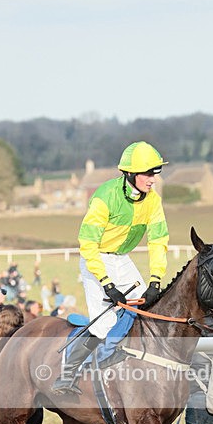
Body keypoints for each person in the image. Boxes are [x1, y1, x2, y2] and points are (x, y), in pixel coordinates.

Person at [52, 141, 169, 393]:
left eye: (155, 174)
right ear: (130, 173)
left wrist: (156, 280)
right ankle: (67, 374)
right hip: (96, 259)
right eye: (148, 174)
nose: (153, 180)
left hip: (122, 259)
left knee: (149, 310)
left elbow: (158, 240)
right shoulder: (105, 197)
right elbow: (87, 244)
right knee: (102, 326)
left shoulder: (153, 201)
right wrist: (107, 284)